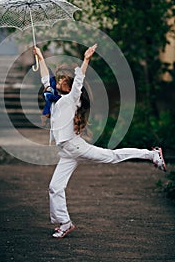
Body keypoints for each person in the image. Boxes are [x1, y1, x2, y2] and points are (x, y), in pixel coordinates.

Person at [33, 44, 167, 239]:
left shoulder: (72, 99)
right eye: (59, 78)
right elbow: (45, 78)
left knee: (111, 156)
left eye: (62, 79)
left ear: (69, 85)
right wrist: (40, 56)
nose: (58, 80)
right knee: (55, 187)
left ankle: (152, 154)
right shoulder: (53, 96)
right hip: (66, 152)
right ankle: (65, 223)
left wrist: (86, 60)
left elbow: (79, 80)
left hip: (75, 147)